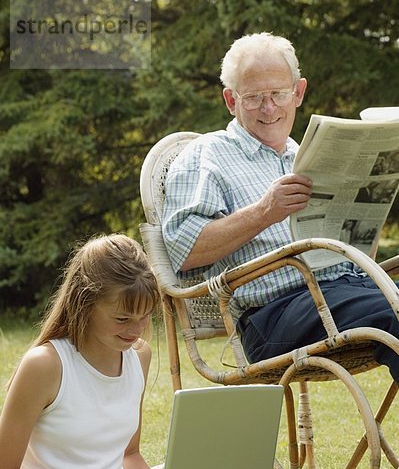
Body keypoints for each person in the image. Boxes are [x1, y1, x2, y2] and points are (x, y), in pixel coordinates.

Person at [0, 234, 373, 469]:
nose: (136, 331)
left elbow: (129, 457)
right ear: (84, 303)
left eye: (145, 318)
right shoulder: (46, 364)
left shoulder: (137, 357)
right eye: (122, 319)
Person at [162, 31, 399, 383]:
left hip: (348, 291)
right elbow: (184, 249)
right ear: (231, 100)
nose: (269, 107)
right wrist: (264, 212)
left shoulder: (308, 154)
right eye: (255, 97)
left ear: (298, 92)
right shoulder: (205, 156)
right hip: (276, 313)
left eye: (278, 94)